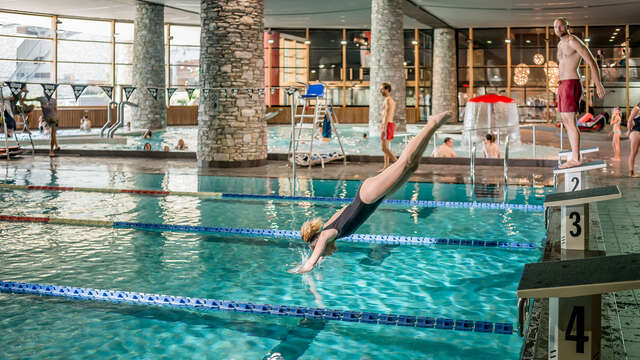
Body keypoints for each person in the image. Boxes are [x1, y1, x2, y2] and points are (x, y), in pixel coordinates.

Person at [291, 111, 453, 274]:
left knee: (404, 163)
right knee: (412, 166)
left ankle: (431, 123)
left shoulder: (327, 234)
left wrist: (307, 265)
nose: (330, 253)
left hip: (367, 197)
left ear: (318, 244)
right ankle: (433, 129)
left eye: (322, 252)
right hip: (372, 198)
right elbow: (343, 211)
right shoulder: (329, 229)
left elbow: (319, 246)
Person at [554, 17, 605, 169]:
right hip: (562, 84)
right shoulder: (559, 44)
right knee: (565, 120)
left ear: (567, 26)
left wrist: (598, 83)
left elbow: (591, 61)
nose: (558, 28)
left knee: (570, 120)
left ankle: (575, 158)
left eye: (561, 26)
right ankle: (574, 156)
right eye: (556, 27)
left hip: (571, 83)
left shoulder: (573, 41)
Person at [378, 82, 398, 173]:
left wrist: (384, 128)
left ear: (386, 89)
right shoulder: (390, 100)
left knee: (383, 148)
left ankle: (398, 164)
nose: (380, 90)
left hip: (387, 125)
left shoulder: (388, 100)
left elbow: (386, 115)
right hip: (388, 124)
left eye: (381, 89)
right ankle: (386, 166)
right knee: (385, 147)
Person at [626, 103, 640, 177]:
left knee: (635, 152)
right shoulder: (636, 109)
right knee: (633, 152)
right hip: (636, 132)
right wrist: (628, 130)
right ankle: (631, 172)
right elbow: (629, 120)